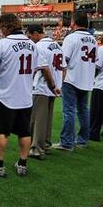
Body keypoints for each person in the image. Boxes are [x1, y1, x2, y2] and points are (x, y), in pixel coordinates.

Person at [0, 13, 42, 177]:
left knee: (2, 131)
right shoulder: (32, 44)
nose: (0, 30)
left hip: (4, 95)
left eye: (1, 27)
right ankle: (22, 163)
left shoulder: (3, 44)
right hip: (25, 96)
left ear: (7, 26)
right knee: (24, 132)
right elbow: (36, 68)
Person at [54, 12, 97, 151]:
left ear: (74, 22)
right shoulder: (94, 39)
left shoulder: (71, 38)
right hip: (87, 79)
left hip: (71, 79)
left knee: (69, 111)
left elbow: (63, 61)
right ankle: (83, 140)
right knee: (83, 111)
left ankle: (67, 143)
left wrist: (59, 81)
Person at [26, 25, 63, 160]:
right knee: (47, 119)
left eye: (30, 36)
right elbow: (63, 68)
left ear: (36, 33)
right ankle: (46, 144)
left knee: (38, 120)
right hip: (54, 88)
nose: (30, 39)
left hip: (43, 87)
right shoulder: (57, 45)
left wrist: (51, 85)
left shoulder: (39, 47)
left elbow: (44, 69)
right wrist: (58, 85)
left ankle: (36, 149)